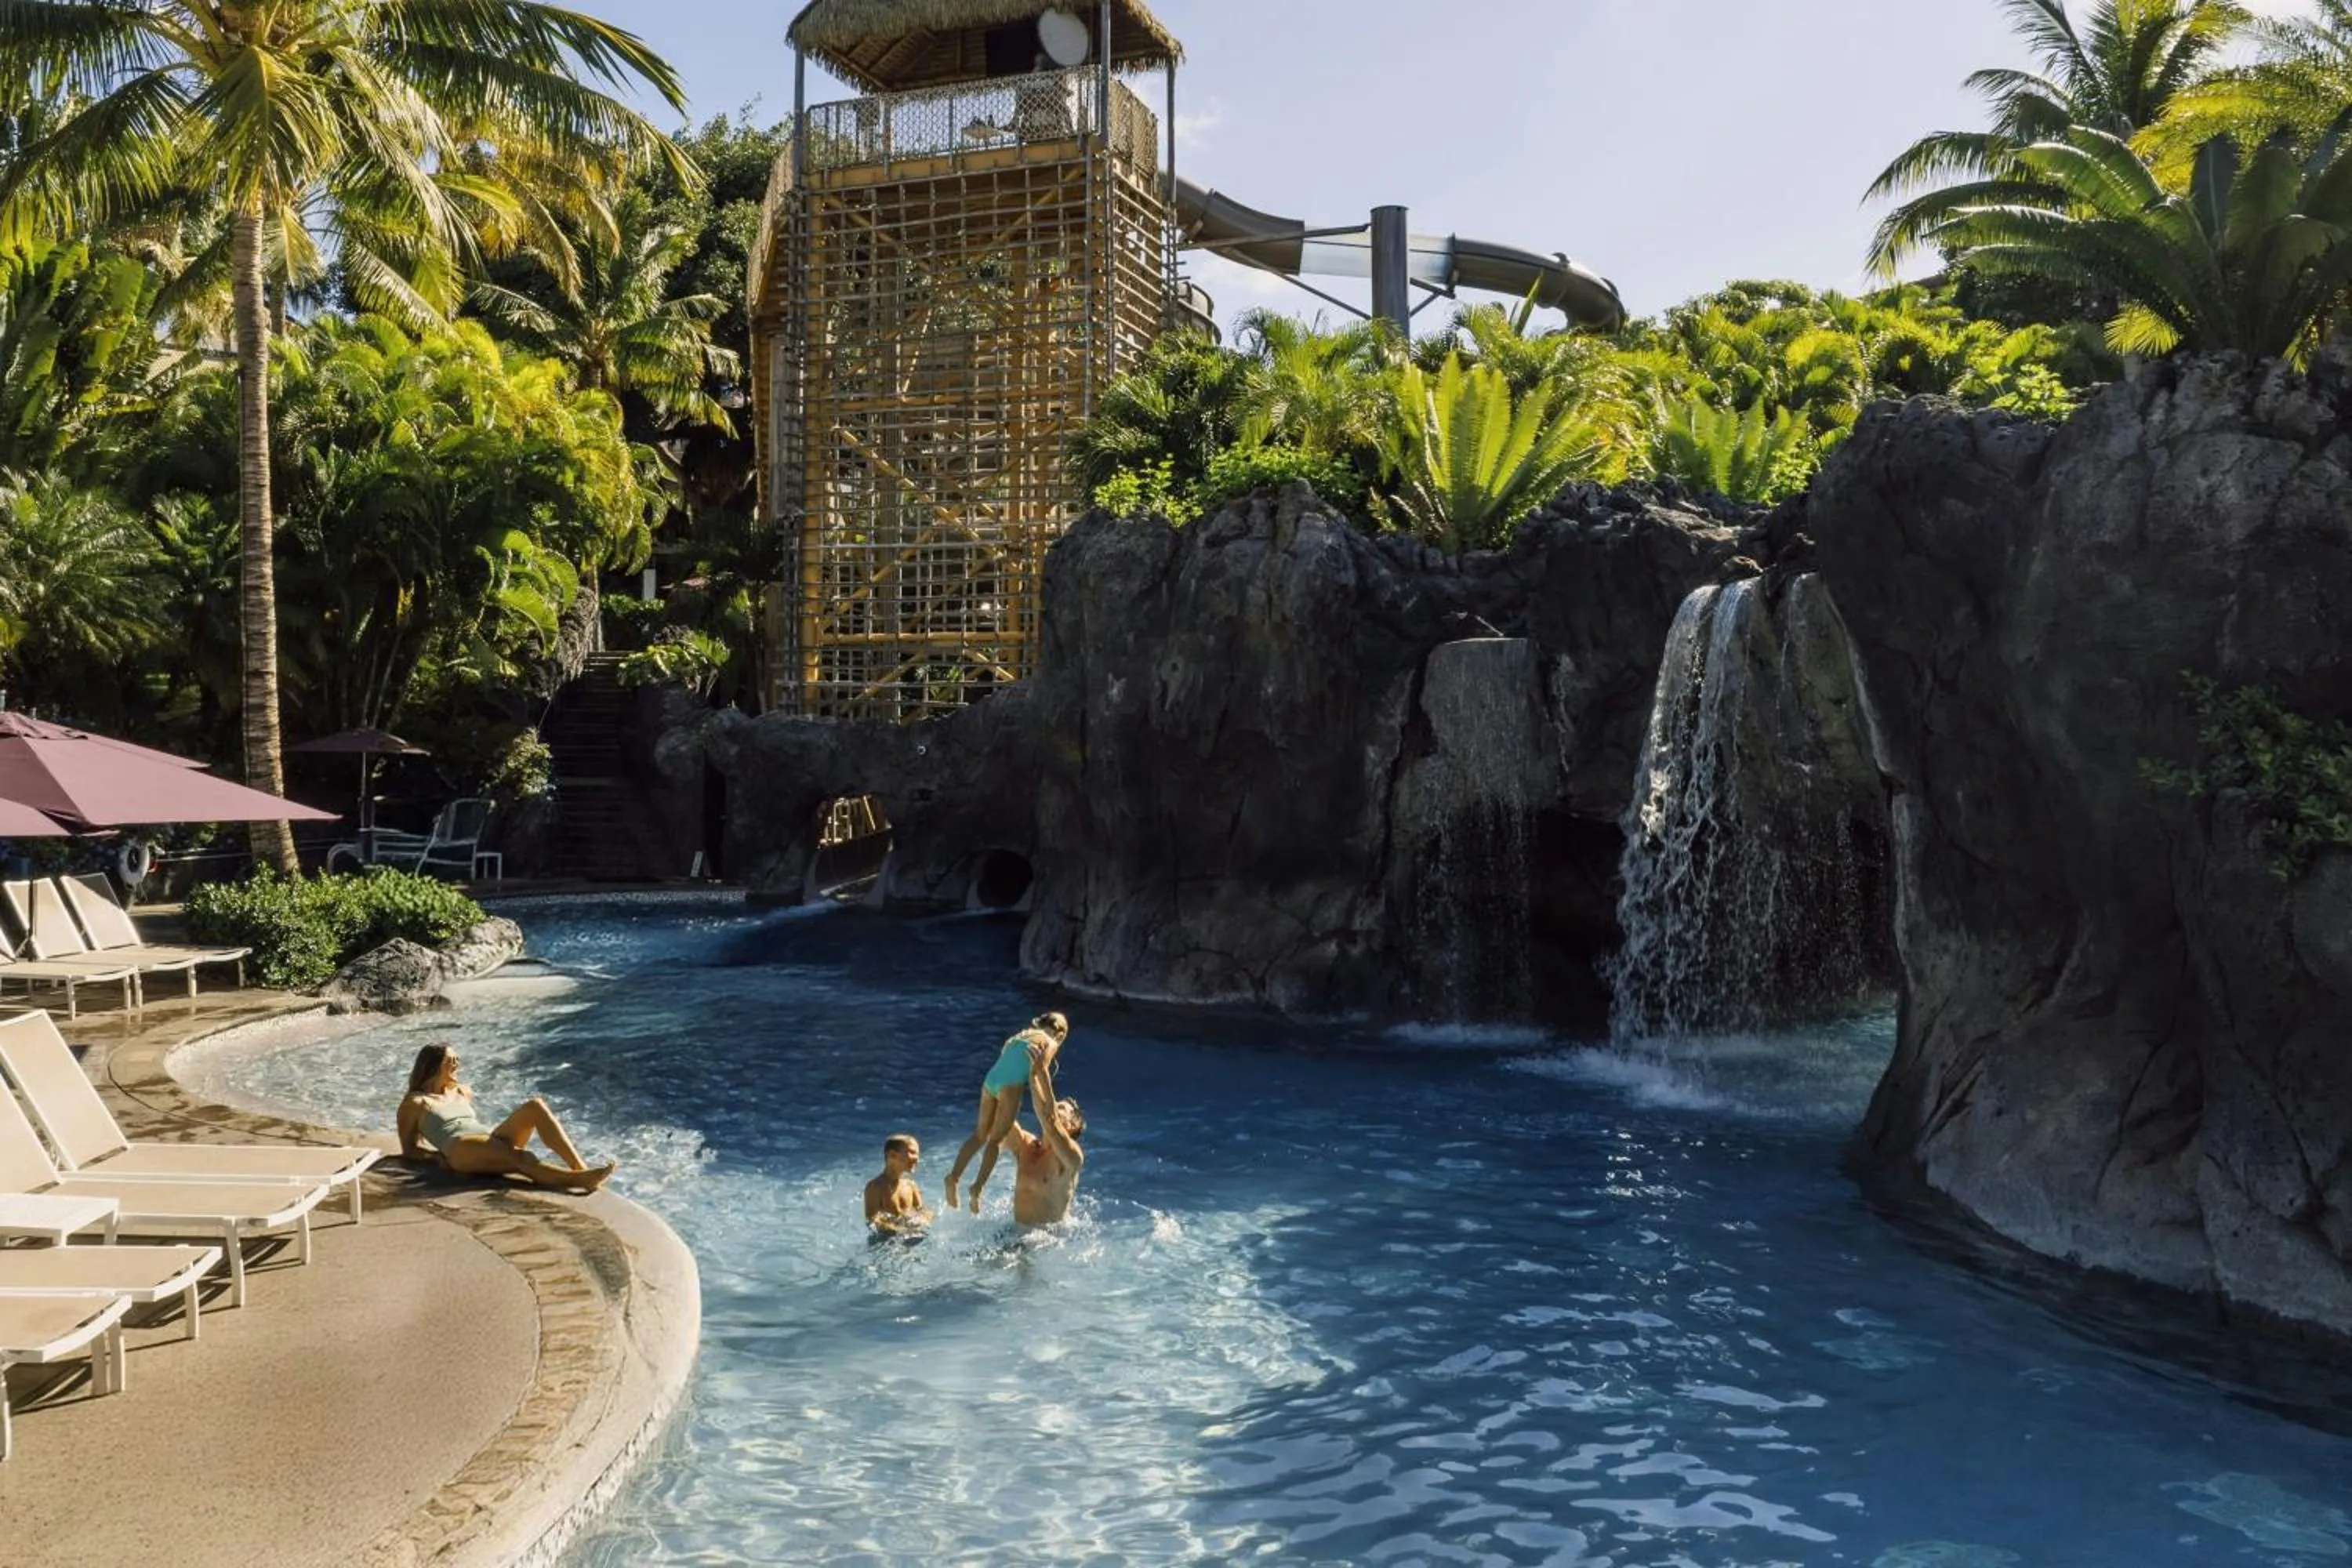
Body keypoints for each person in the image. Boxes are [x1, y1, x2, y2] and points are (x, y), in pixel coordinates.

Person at [396, 1044, 616, 1193]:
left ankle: (578, 1166)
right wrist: (436, 1158)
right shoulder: (415, 1103)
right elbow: (409, 1149)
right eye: (450, 1061)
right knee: (523, 1158)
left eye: (457, 1060)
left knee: (535, 1107)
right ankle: (576, 1181)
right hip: (459, 1148)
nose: (457, 1065)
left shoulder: (462, 1092)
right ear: (433, 1067)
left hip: (485, 1139)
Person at [943, 1011, 1069, 1214]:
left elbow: (1010, 1062)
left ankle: (953, 1177)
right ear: (1060, 1034)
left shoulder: (1019, 1036)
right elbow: (1040, 1069)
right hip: (1009, 1086)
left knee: (979, 1135)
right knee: (995, 1141)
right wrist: (1051, 1103)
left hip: (990, 1081)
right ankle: (977, 1188)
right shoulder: (1049, 1041)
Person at [1000, 1051, 1085, 1228]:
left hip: (1045, 1242)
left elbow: (1050, 1123)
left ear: (1071, 1125)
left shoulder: (1071, 1158)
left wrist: (1038, 1070)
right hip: (1012, 1235)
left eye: (1060, 1107)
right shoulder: (1027, 1146)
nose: (1053, 1106)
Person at [863, 1133, 931, 1237]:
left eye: (917, 1154)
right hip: (885, 1242)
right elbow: (873, 1220)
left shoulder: (911, 1186)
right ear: (892, 1155)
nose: (917, 1158)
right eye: (912, 1152)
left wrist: (925, 1218)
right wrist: (900, 1230)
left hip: (910, 1237)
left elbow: (921, 1210)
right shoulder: (875, 1187)